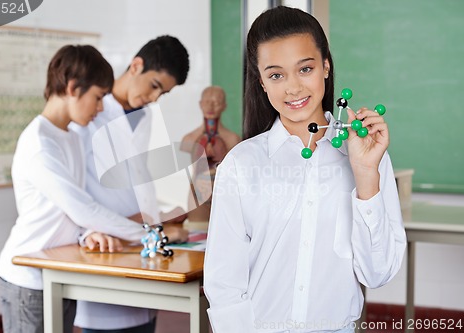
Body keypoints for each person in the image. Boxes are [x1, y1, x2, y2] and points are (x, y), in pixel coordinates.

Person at [204, 6, 407, 333]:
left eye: (305, 69)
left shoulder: (366, 153)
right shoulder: (242, 164)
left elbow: (377, 274)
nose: (293, 88)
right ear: (262, 82)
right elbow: (223, 281)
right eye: (276, 75)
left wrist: (366, 174)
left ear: (325, 67)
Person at [0, 45, 147, 333]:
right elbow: (81, 208)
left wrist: (89, 232)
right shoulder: (40, 143)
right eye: (98, 97)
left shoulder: (70, 138)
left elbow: (68, 210)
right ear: (73, 88)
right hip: (27, 278)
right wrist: (150, 235)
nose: (101, 108)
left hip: (59, 271)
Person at [71, 35, 190, 333]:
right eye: (154, 86)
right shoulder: (89, 113)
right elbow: (76, 188)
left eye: (163, 93)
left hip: (141, 245)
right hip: (105, 244)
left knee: (143, 322)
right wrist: (89, 231)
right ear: (136, 66)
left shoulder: (145, 115)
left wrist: (159, 217)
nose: (155, 98)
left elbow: (137, 178)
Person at [180, 86, 241, 222]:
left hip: (223, 195)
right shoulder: (189, 139)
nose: (211, 107)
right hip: (197, 195)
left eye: (216, 102)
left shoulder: (232, 139)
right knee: (198, 231)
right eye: (207, 102)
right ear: (200, 104)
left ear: (224, 106)